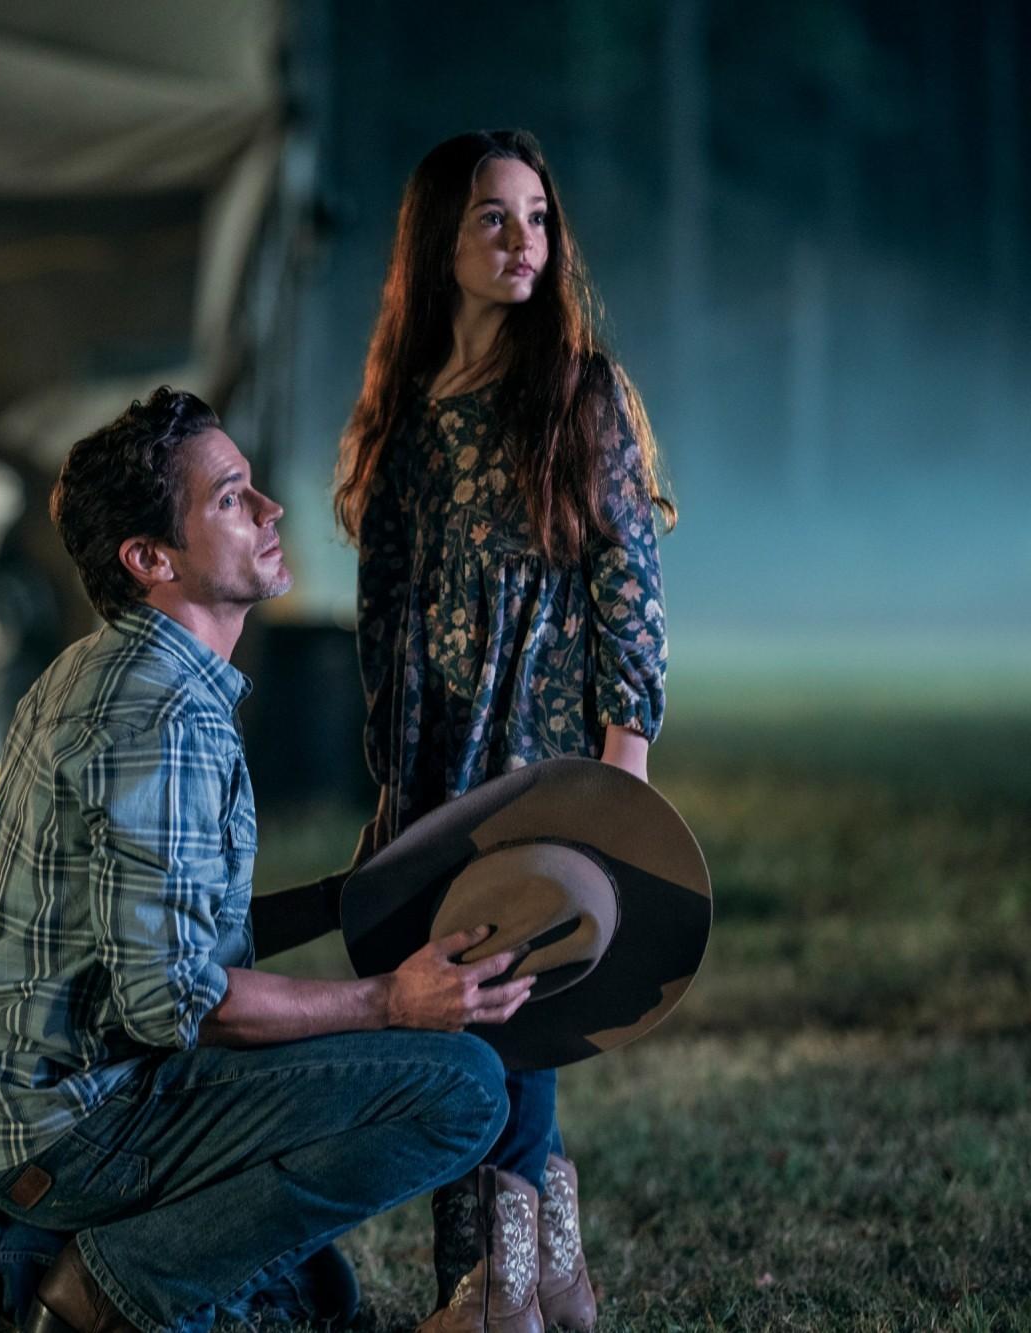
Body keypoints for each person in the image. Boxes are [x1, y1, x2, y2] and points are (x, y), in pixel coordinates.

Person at [0, 387, 536, 1333]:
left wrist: (342, 897)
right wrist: (391, 1002)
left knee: (318, 1292)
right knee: (464, 1087)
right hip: (75, 1125)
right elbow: (176, 1003)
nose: (271, 510)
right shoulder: (163, 719)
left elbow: (154, 939)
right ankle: (112, 1284)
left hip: (15, 1107)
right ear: (151, 558)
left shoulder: (101, 666)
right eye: (230, 498)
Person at [334, 129, 676, 1332]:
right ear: (439, 239)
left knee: (506, 1005)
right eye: (492, 216)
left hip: (538, 761)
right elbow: (385, 613)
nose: (521, 240)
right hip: (434, 767)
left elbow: (626, 587)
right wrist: (393, 785)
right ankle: (544, 1280)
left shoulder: (576, 392)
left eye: (536, 217)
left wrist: (620, 771)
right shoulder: (404, 408)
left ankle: (491, 1292)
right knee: (462, 1008)